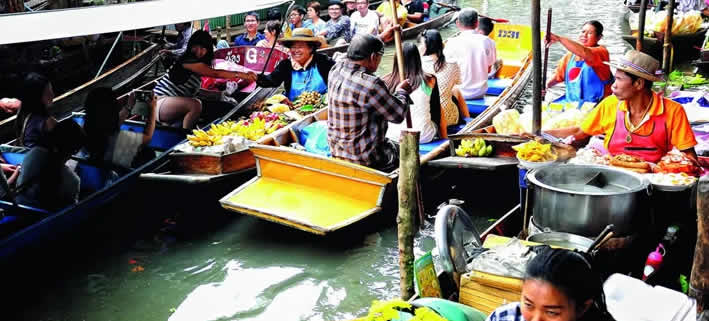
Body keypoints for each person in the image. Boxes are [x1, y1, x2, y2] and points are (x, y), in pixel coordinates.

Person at [545, 50, 698, 164]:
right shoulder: (610, 104)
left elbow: (689, 156)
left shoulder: (673, 111)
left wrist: (671, 167)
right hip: (613, 171)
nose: (613, 86)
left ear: (638, 84)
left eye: (619, 79)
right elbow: (579, 131)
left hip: (654, 176)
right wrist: (539, 133)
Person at [327, 34, 414, 172]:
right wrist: (402, 92)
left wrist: (384, 35)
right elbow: (398, 115)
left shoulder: (336, 68)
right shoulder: (370, 84)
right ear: (373, 57)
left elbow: (342, 54)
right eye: (379, 58)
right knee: (405, 154)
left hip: (337, 152)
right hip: (366, 160)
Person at [153, 30, 250, 130]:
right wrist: (244, 75)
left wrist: (220, 95)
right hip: (159, 103)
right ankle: (184, 136)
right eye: (197, 47)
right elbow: (215, 73)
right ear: (191, 46)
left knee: (222, 106)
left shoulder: (197, 65)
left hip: (171, 105)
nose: (200, 52)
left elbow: (196, 92)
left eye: (204, 49)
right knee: (196, 105)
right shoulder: (187, 61)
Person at [486, 248, 614, 321]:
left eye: (552, 312)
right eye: (528, 305)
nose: (536, 319)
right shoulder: (505, 317)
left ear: (582, 308)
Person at [239, 28, 334, 102]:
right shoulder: (286, 64)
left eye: (300, 47)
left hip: (323, 107)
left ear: (310, 48)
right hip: (295, 109)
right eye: (293, 47)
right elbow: (272, 80)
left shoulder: (323, 61)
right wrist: (255, 77)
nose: (296, 51)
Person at [16, 120, 85, 211]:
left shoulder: (34, 154)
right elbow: (70, 212)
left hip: (19, 209)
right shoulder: (72, 181)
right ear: (74, 151)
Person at [83, 88, 157, 169]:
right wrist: (152, 109)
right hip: (124, 169)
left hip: (104, 161)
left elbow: (110, 124)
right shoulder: (115, 140)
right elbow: (147, 137)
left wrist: (128, 107)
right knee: (148, 152)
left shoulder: (89, 130)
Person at [384, 42, 442, 143]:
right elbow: (435, 112)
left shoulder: (385, 81)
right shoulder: (430, 80)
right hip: (423, 136)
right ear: (417, 59)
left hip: (393, 136)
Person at [546, 21, 612, 104]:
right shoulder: (570, 56)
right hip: (572, 102)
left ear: (599, 37)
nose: (584, 35)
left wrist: (559, 39)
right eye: (583, 31)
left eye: (590, 33)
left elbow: (585, 52)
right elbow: (558, 76)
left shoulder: (602, 52)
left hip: (597, 103)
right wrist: (546, 86)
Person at [418, 29, 470, 127]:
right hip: (447, 117)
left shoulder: (417, 66)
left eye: (420, 44)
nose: (419, 46)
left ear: (425, 47)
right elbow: (458, 82)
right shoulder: (452, 64)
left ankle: (468, 120)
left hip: (426, 117)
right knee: (456, 90)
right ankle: (468, 119)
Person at [444, 8, 496, 100]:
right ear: (477, 23)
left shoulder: (451, 43)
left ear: (458, 23)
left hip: (457, 93)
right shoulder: (488, 41)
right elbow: (488, 69)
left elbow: (446, 71)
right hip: (479, 92)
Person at [15, 72, 58, 148]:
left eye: (51, 90)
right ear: (36, 97)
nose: (52, 95)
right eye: (47, 92)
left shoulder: (23, 115)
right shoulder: (48, 122)